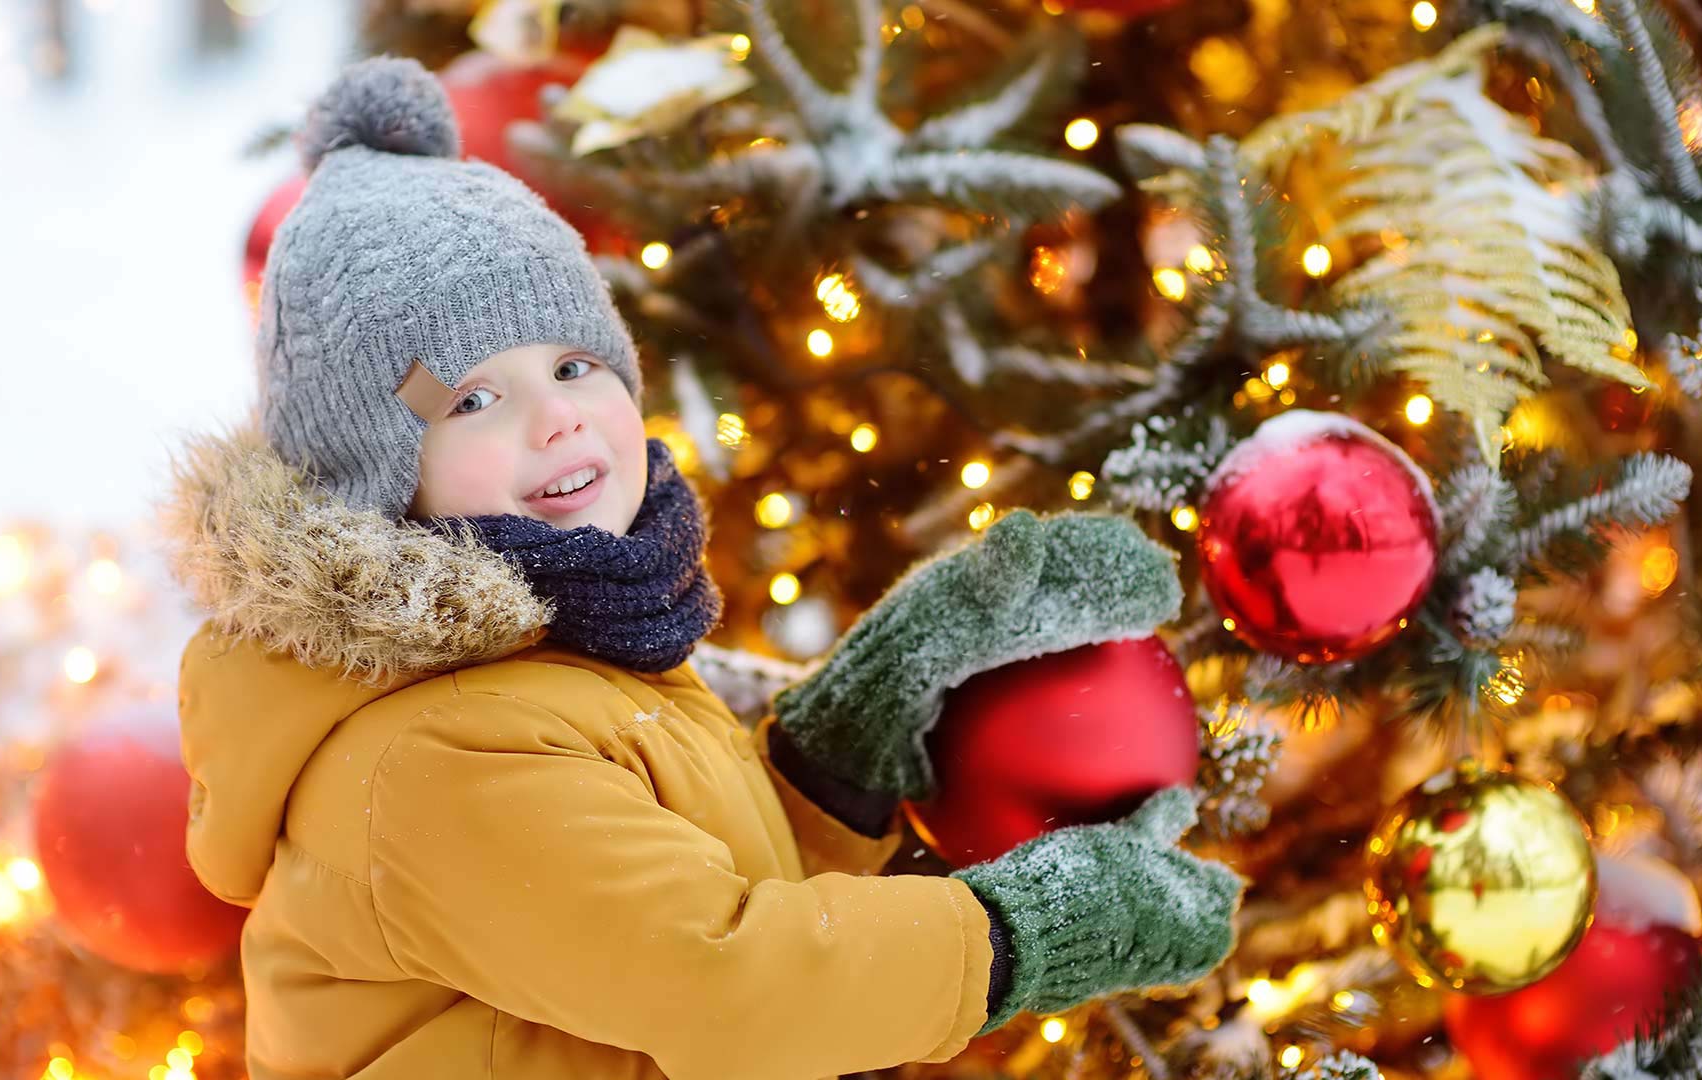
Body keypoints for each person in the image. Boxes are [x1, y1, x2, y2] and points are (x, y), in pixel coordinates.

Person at [160, 55, 1242, 1080]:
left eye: (576, 365)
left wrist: (846, 739)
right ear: (376, 476)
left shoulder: (565, 641)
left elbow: (685, 879)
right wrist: (1018, 936)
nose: (556, 420)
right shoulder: (431, 757)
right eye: (472, 400)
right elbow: (720, 978)